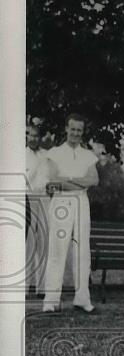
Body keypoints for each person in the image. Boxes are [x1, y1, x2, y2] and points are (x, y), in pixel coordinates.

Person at [41, 114, 100, 313]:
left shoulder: (88, 155)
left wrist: (69, 179)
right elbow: (54, 180)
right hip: (61, 201)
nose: (75, 133)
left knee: (82, 250)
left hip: (82, 201)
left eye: (79, 130)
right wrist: (78, 179)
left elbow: (94, 180)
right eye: (72, 129)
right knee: (57, 249)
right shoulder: (54, 153)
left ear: (82, 132)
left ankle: (82, 298)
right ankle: (51, 299)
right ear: (66, 128)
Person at [25, 122, 49, 297]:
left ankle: (41, 288)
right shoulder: (21, 154)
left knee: (43, 243)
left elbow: (49, 179)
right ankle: (25, 286)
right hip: (27, 199)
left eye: (36, 135)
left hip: (44, 200)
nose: (33, 138)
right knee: (28, 244)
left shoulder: (46, 155)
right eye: (30, 135)